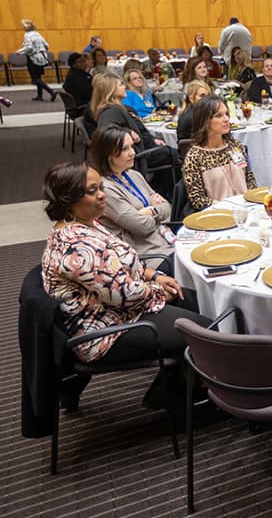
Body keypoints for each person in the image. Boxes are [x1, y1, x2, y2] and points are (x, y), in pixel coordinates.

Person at [40, 161, 209, 410]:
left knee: (199, 302)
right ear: (69, 199)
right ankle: (172, 396)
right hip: (106, 330)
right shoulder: (78, 246)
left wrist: (152, 275)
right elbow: (126, 295)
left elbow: (122, 261)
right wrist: (158, 291)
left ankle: (178, 382)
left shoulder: (88, 222)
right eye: (91, 191)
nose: (101, 195)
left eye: (100, 187)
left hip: (118, 309)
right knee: (204, 331)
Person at [91, 126, 173, 263]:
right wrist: (156, 211)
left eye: (132, 147)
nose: (132, 153)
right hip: (148, 255)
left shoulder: (133, 175)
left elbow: (168, 208)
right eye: (125, 149)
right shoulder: (106, 190)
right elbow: (142, 227)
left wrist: (150, 211)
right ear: (108, 154)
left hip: (166, 240)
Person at [92, 73, 180, 200]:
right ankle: (175, 195)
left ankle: (162, 191)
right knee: (176, 155)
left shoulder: (121, 107)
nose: (124, 87)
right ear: (111, 90)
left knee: (169, 153)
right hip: (139, 155)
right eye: (121, 85)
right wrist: (127, 131)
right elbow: (105, 131)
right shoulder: (111, 111)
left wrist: (152, 139)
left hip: (143, 150)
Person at [182, 95, 257, 210]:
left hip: (247, 209)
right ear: (205, 121)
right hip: (219, 215)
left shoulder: (235, 147)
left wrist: (252, 202)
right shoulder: (194, 157)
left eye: (226, 114)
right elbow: (197, 200)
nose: (226, 119)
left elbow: (249, 179)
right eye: (219, 116)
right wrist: (226, 207)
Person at [17, 19, 57, 102]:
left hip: (33, 58)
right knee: (38, 77)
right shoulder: (38, 34)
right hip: (41, 58)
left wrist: (20, 51)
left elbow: (29, 47)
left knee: (35, 79)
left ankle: (51, 91)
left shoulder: (27, 35)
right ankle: (40, 95)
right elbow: (47, 45)